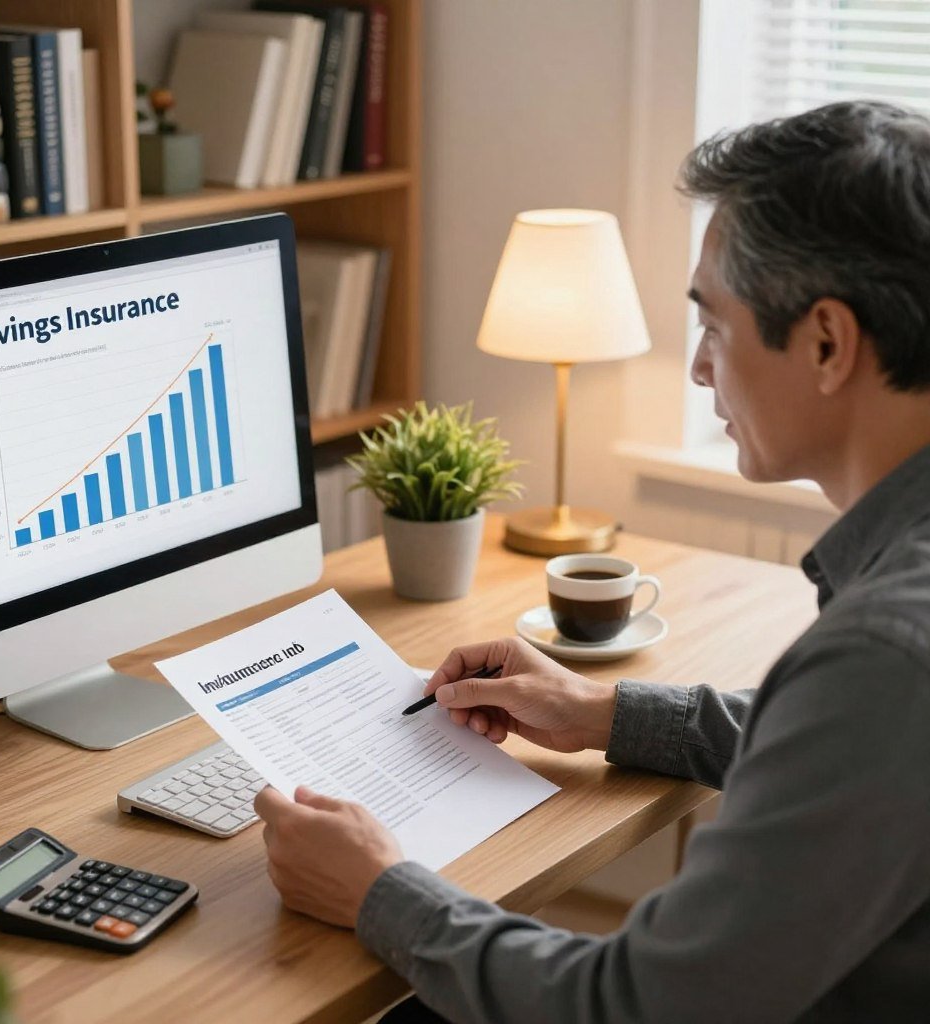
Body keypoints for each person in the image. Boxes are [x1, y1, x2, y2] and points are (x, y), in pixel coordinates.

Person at [254, 100, 930, 1023]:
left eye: (715, 327)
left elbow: (637, 1006)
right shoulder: (888, 652)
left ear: (826, 342)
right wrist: (601, 712)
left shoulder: (887, 655)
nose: (700, 369)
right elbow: (843, 755)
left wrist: (377, 889)